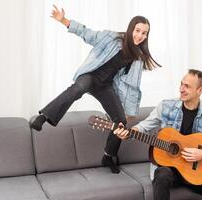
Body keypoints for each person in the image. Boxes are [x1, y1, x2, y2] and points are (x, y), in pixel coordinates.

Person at [29, 5, 161, 174]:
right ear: (131, 29)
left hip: (105, 86)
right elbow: (88, 33)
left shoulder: (137, 58)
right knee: (78, 89)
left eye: (144, 33)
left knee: (120, 121)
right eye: (137, 30)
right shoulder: (112, 38)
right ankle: (43, 116)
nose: (140, 36)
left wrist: (129, 111)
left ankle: (108, 156)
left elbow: (133, 87)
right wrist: (63, 20)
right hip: (90, 76)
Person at [114, 69, 202, 200]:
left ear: (200, 90)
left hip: (197, 173)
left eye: (187, 86)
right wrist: (128, 133)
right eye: (181, 84)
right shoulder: (166, 106)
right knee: (161, 174)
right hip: (169, 170)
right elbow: (143, 127)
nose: (181, 89)